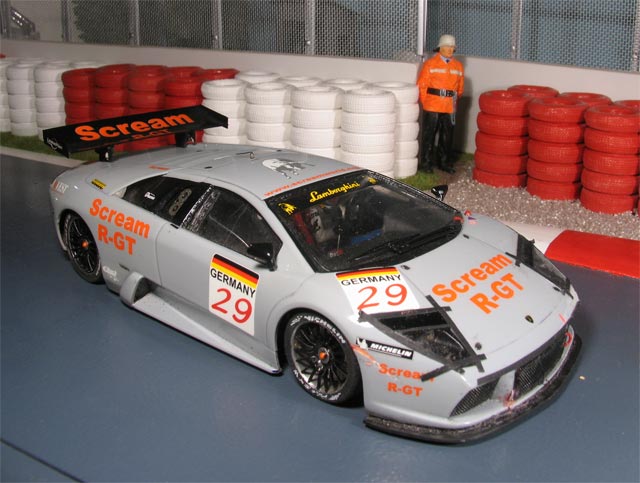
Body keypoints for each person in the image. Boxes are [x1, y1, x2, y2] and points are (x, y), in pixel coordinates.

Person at [417, 34, 465, 174]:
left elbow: (460, 89)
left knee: (447, 136)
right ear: (440, 48)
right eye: (447, 46)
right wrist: (427, 102)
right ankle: (426, 163)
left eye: (452, 47)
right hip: (433, 105)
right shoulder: (430, 64)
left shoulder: (458, 66)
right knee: (429, 135)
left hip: (450, 107)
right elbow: (422, 85)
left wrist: (453, 102)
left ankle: (444, 162)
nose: (450, 49)